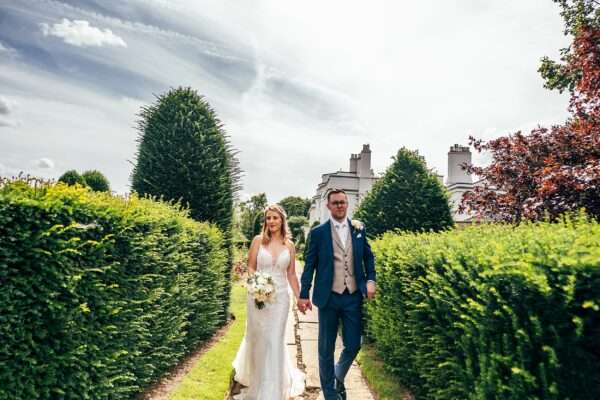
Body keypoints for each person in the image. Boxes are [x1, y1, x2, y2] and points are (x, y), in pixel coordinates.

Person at [298, 189, 376, 400]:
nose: (340, 206)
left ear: (347, 204)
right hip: (328, 297)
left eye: (343, 202)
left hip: (352, 296)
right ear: (328, 206)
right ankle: (330, 394)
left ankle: (337, 376)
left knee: (353, 344)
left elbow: (369, 258)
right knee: (326, 348)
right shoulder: (318, 233)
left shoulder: (359, 229)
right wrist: (303, 293)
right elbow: (309, 266)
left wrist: (371, 280)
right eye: (336, 203)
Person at [232, 204, 306, 399]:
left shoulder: (289, 245)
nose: (271, 221)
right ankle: (257, 382)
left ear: (282, 220)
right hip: (258, 298)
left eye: (275, 218)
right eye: (268, 218)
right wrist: (257, 285)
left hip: (280, 298)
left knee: (275, 340)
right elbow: (251, 267)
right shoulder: (258, 241)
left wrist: (300, 298)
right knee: (259, 340)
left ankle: (272, 392)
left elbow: (291, 275)